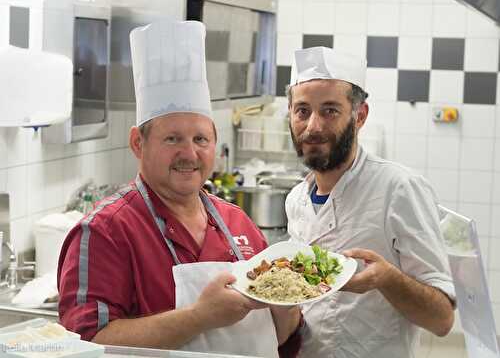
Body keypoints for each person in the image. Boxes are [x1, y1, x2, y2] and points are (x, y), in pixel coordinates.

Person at [57, 20, 301, 358]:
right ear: (137, 143)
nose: (189, 154)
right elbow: (84, 343)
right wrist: (198, 317)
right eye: (172, 138)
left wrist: (289, 303)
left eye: (201, 139)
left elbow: (281, 336)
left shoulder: (237, 223)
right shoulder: (105, 232)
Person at [284, 46, 456, 358]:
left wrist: (386, 279)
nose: (313, 127)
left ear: (359, 116)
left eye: (330, 110)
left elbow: (441, 319)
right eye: (303, 111)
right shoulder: (297, 200)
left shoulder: (399, 189)